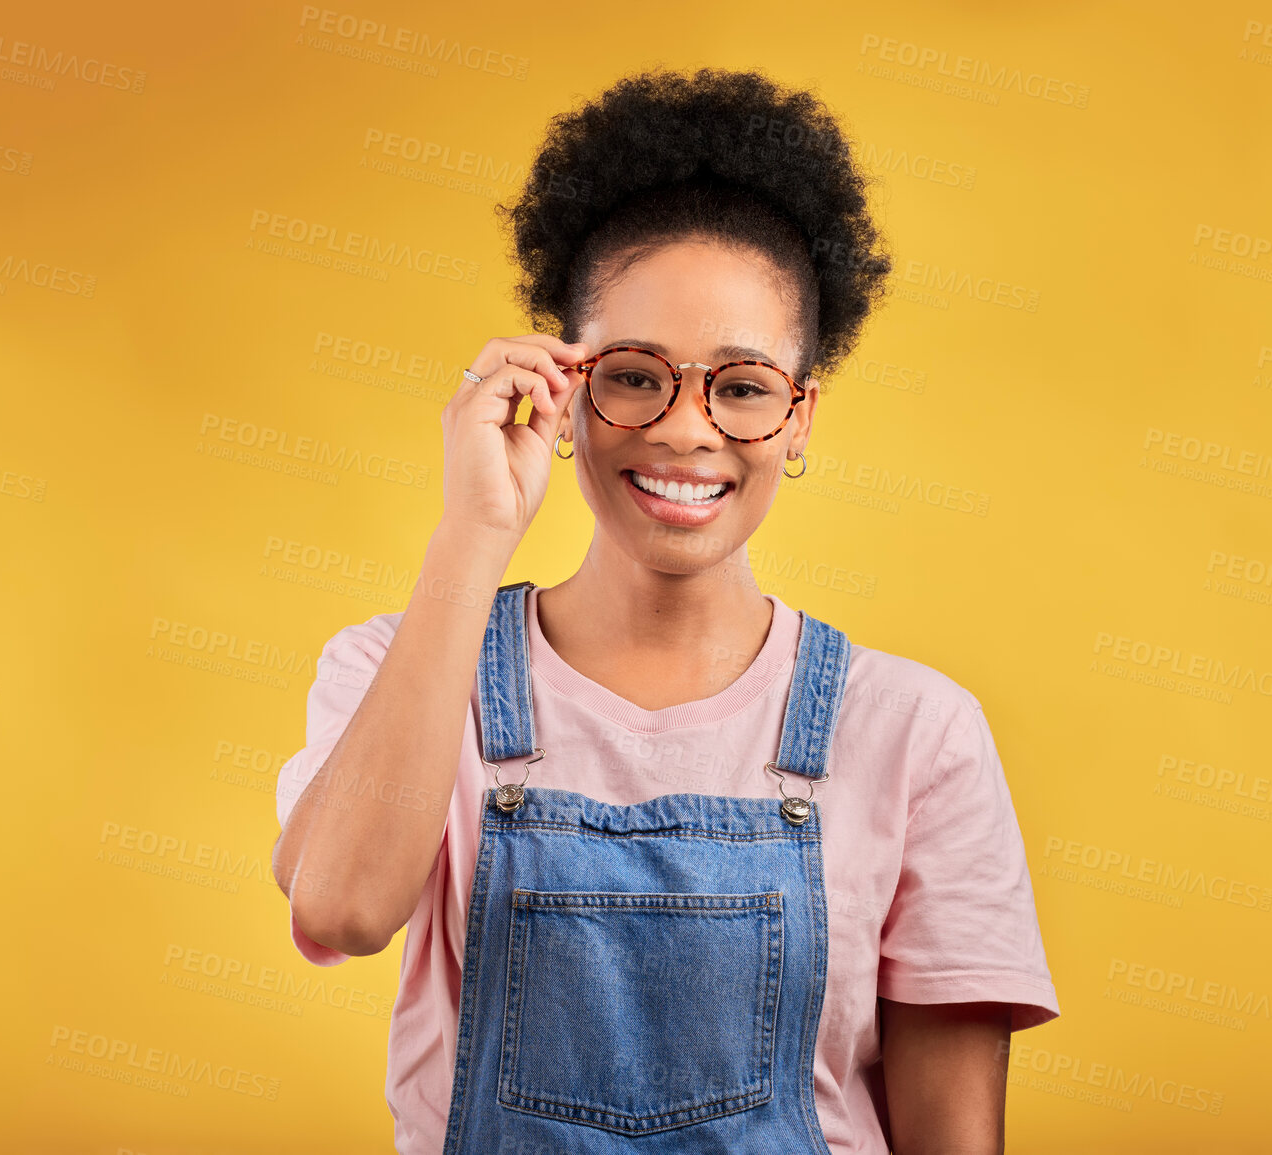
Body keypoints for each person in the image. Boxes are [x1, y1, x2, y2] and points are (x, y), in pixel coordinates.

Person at [271, 66, 1059, 1155]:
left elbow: (951, 1137)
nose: (686, 430)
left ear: (800, 418)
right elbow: (340, 911)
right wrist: (473, 531)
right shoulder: (396, 674)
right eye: (637, 375)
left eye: (741, 387)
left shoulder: (916, 731)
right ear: (560, 385)